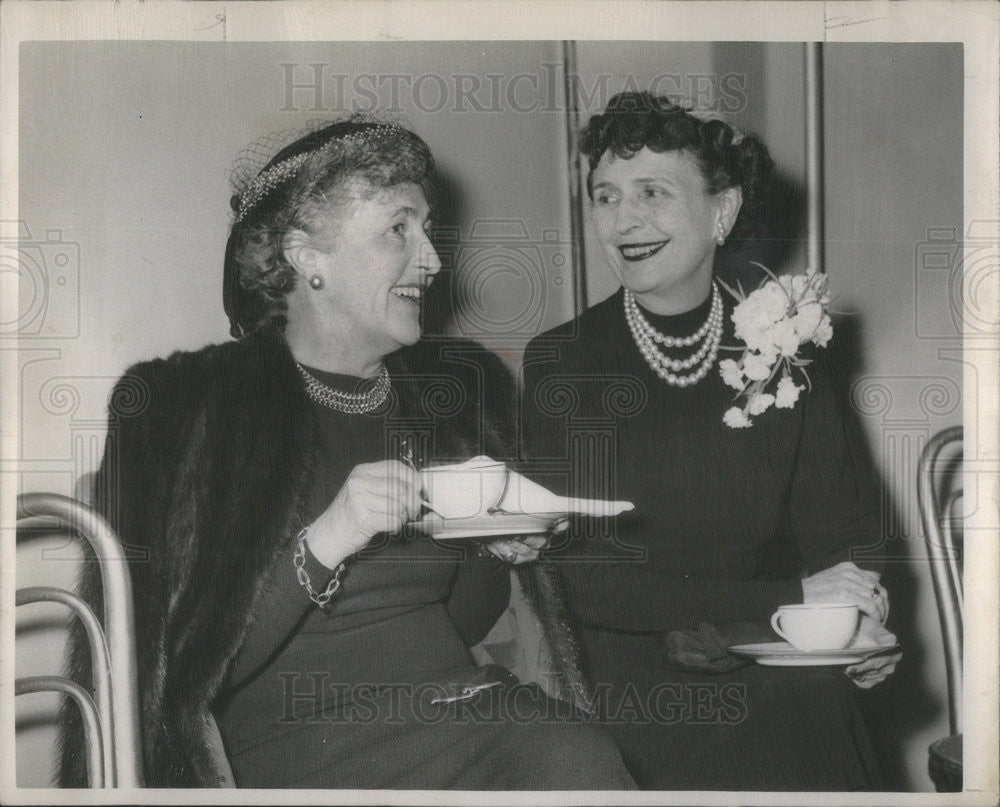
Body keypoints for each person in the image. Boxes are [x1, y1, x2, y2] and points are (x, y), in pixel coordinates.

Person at [59, 115, 635, 790]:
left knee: (574, 754)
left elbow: (453, 624)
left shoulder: (450, 394)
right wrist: (330, 536)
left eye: (426, 227)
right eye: (400, 228)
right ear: (308, 255)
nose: (433, 258)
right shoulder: (197, 408)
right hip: (304, 755)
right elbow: (176, 679)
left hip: (463, 717)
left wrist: (496, 542)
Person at [522, 92, 902, 790]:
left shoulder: (790, 343)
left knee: (821, 711)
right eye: (605, 196)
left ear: (721, 211)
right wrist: (797, 595)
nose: (623, 220)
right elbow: (582, 581)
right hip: (638, 677)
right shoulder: (564, 362)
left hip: (775, 654)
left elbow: (844, 531)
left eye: (652, 192)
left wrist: (859, 623)